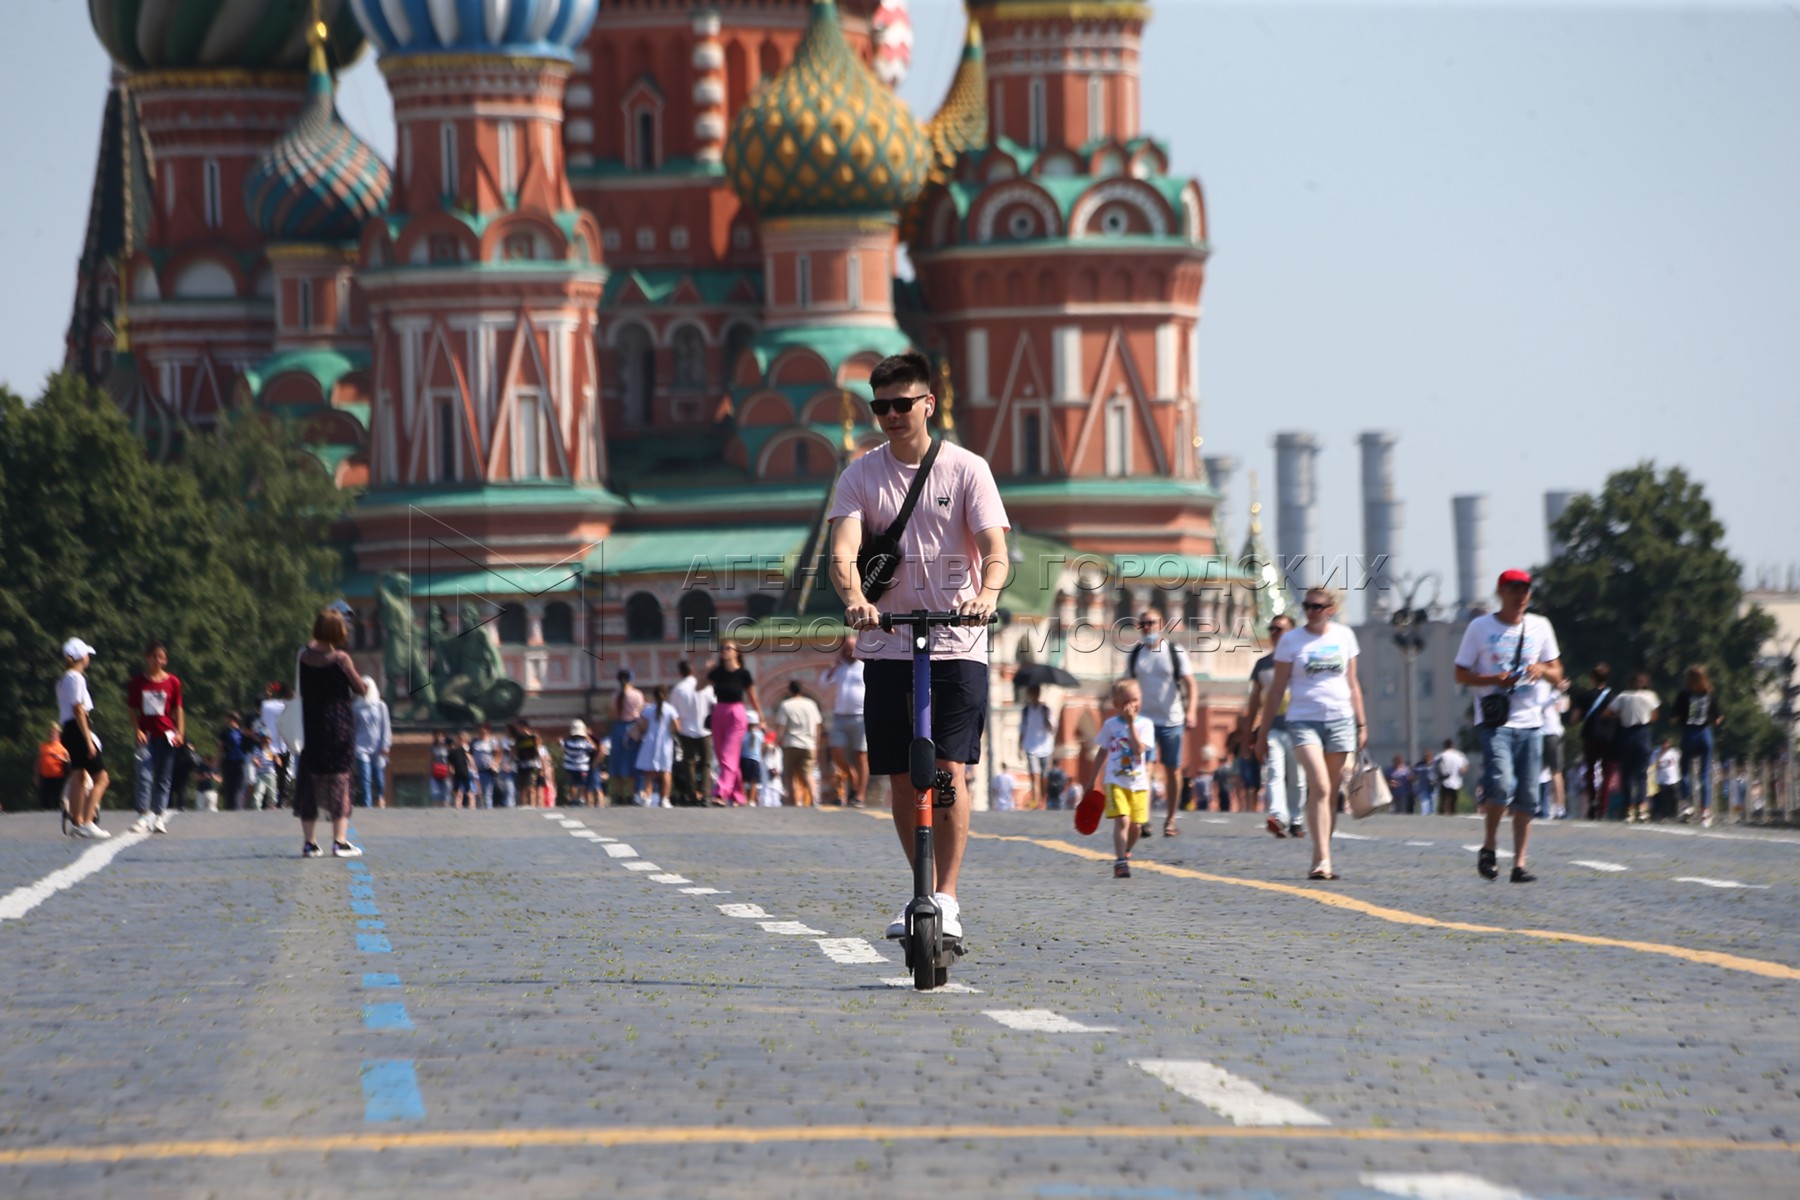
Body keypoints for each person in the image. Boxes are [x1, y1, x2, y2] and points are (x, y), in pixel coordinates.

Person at [827, 350, 1010, 942]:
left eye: (901, 405)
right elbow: (841, 552)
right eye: (879, 406)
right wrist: (856, 597)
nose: (889, 416)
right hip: (887, 643)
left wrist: (985, 593)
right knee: (902, 777)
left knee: (948, 768)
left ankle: (948, 898)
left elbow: (996, 549)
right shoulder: (859, 474)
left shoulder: (967, 470)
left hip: (956, 639)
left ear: (928, 403)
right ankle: (921, 890)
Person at [1454, 569, 1563, 883]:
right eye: (1514, 590)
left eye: (1525, 590)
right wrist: (1493, 679)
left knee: (1528, 794)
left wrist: (1541, 669)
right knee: (1501, 784)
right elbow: (1460, 674)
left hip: (1532, 723)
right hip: (1495, 721)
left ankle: (1519, 863)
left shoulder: (1541, 626)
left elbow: (1558, 672)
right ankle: (1489, 846)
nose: (1521, 596)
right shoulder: (1480, 627)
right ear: (1500, 592)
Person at [1253, 587, 1366, 880]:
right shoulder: (1291, 640)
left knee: (1329, 794)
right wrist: (1262, 733)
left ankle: (1321, 853)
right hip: (1303, 720)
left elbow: (1352, 683)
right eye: (1307, 606)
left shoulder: (1345, 636)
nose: (1311, 611)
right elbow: (1276, 689)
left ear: (1331, 609)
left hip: (1340, 719)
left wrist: (1362, 723)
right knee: (1319, 785)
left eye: (1317, 606)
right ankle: (1322, 859)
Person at [293, 608, 371, 858]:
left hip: (311, 725)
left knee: (310, 782)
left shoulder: (303, 656)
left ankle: (310, 843)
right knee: (340, 782)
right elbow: (359, 688)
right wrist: (365, 684)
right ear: (338, 632)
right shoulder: (341, 659)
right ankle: (339, 841)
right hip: (338, 726)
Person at [1127, 607, 1196, 838]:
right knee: (1144, 768)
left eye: (1152, 623)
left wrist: (1192, 711)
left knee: (1173, 769)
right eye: (1143, 624)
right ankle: (1143, 817)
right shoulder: (1135, 654)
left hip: (1172, 720)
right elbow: (1128, 686)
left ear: (1162, 625)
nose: (1147, 628)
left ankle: (1171, 819)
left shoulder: (1175, 652)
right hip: (1144, 721)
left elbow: (1190, 684)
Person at [1083, 679, 1157, 879]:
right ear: (1116, 704)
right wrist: (1092, 779)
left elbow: (1139, 749)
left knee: (1136, 826)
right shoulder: (1110, 725)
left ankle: (1125, 852)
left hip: (1139, 783)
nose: (1131, 705)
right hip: (1115, 782)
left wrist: (1132, 724)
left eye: (1135, 700)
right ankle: (1121, 862)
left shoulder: (1146, 725)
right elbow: (1101, 752)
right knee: (1122, 821)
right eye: (1126, 701)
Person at [1247, 612, 1306, 839]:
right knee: (1274, 772)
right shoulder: (1262, 665)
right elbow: (1254, 702)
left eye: (1279, 629)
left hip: (1299, 728)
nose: (1274, 633)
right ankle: (1278, 816)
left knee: (1298, 777)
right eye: (1271, 629)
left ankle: (1297, 819)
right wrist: (1248, 736)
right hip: (1273, 727)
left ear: (1292, 633)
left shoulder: (1301, 661)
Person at [126, 640, 185, 834]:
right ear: (147, 658)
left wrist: (180, 732)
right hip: (146, 736)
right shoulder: (138, 682)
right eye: (154, 657)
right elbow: (132, 708)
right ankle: (143, 815)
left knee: (163, 776)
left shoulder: (173, 682)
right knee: (144, 774)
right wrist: (137, 730)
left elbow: (178, 708)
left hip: (167, 735)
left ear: (165, 660)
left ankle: (159, 816)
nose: (157, 661)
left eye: (161, 657)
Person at [57, 638, 112, 839]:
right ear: (82, 657)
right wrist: (88, 740)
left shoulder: (63, 679)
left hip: (68, 729)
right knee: (102, 778)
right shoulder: (76, 678)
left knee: (78, 776)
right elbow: (78, 709)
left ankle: (77, 821)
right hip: (78, 729)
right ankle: (88, 821)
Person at [707, 644, 762, 806]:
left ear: (737, 652)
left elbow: (753, 697)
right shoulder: (717, 673)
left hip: (737, 713)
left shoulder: (744, 674)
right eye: (723, 648)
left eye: (729, 648)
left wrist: (762, 718)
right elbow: (699, 687)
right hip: (719, 712)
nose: (725, 651)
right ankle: (738, 795)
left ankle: (721, 792)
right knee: (722, 756)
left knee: (727, 756)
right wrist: (707, 672)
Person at [1670, 664, 1723, 826]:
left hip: (1689, 733)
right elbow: (1718, 718)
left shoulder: (1684, 695)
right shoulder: (1710, 694)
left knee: (1684, 770)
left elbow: (1674, 718)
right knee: (1704, 773)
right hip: (1705, 734)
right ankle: (1705, 811)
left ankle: (1686, 805)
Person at [820, 641, 869, 807]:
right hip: (840, 715)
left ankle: (860, 795)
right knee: (835, 750)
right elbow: (824, 682)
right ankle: (851, 774)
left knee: (861, 755)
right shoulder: (840, 669)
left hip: (860, 715)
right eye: (846, 649)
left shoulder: (863, 667)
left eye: (851, 649)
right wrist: (834, 665)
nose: (849, 652)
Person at [1610, 671, 1660, 823]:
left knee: (1627, 774)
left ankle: (1629, 808)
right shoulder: (1650, 696)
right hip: (1642, 732)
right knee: (1642, 773)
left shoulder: (1623, 696)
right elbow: (1655, 716)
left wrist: (1622, 716)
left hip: (1626, 733)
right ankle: (1643, 807)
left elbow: (1608, 713)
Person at [1574, 664, 1620, 821]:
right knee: (1607, 774)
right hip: (1610, 738)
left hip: (1590, 736)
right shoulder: (1613, 696)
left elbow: (1575, 718)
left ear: (1592, 678)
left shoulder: (1585, 696)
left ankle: (1592, 800)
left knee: (1590, 771)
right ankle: (1603, 807)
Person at [668, 661, 714, 807]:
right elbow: (714, 705)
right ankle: (705, 795)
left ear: (680, 672)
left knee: (689, 763)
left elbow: (673, 712)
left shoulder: (677, 689)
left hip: (686, 730)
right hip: (705, 730)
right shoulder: (706, 687)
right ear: (693, 670)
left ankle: (692, 794)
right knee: (706, 763)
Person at [773, 680, 824, 807]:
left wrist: (777, 741)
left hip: (791, 742)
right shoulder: (811, 704)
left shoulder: (786, 705)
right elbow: (818, 726)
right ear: (802, 690)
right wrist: (817, 745)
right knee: (807, 773)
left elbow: (781, 726)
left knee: (791, 774)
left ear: (789, 691)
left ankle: (795, 802)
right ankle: (814, 799)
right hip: (808, 743)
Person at [634, 686, 678, 806]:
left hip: (649, 742)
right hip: (665, 743)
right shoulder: (670, 709)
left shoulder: (648, 710)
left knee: (649, 772)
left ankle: (647, 797)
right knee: (666, 771)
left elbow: (641, 726)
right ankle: (665, 799)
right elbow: (677, 727)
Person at [608, 670, 645, 804]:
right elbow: (641, 712)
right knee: (631, 761)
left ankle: (618, 795)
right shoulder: (637, 694)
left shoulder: (615, 696)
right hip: (633, 729)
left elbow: (612, 714)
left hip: (618, 728)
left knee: (617, 761)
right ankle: (631, 794)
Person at [1019, 684, 1056, 811]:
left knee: (1044, 777)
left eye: (1036, 693)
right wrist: (1020, 747)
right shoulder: (1026, 711)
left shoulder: (1046, 709)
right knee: (1035, 775)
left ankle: (1043, 798)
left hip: (1045, 747)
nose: (1034, 696)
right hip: (1030, 746)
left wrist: (1046, 718)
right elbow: (1022, 730)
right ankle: (1036, 801)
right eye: (1032, 693)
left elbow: (1052, 729)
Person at [260, 682, 292, 809]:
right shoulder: (288, 706)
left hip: (269, 747)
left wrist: (268, 694)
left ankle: (265, 801)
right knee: (283, 775)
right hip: (284, 745)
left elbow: (263, 721)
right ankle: (281, 801)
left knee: (267, 773)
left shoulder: (265, 706)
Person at [219, 713, 251, 812]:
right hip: (228, 762)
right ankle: (230, 807)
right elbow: (220, 747)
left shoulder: (241, 732)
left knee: (238, 786)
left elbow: (248, 746)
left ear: (232, 720)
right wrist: (219, 761)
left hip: (240, 762)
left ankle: (236, 807)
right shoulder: (225, 733)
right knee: (229, 787)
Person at [562, 720, 598, 807]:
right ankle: (582, 799)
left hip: (570, 767)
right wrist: (587, 737)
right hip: (582, 767)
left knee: (573, 783)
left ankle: (573, 800)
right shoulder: (584, 743)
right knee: (583, 784)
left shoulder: (568, 742)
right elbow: (594, 747)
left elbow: (561, 743)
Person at [37, 723, 69, 812]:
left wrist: (59, 758)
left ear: (58, 734)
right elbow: (39, 761)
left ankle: (57, 812)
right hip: (46, 776)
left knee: (57, 797)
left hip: (58, 776)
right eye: (50, 733)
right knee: (45, 796)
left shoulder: (62, 747)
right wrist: (36, 775)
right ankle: (45, 812)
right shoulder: (43, 746)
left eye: (54, 733)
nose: (52, 735)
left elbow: (68, 761)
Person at [1432, 738, 1468, 816]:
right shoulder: (1459, 755)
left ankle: (1444, 813)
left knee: (1444, 798)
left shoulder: (1440, 756)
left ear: (1444, 746)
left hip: (1444, 780)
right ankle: (1453, 813)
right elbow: (1463, 769)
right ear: (1452, 745)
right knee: (1454, 798)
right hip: (1456, 781)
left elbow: (1434, 767)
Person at [740, 709, 767, 807]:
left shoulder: (742, 734)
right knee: (754, 781)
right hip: (755, 760)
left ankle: (744, 798)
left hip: (743, 759)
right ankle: (752, 800)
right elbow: (763, 747)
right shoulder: (760, 734)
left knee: (743, 780)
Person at [471, 722, 499, 809]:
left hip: (487, 771)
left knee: (487, 793)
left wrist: (494, 763)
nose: (481, 731)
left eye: (483, 729)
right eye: (479, 729)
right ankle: (479, 810)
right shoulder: (475, 742)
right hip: (476, 771)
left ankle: (488, 811)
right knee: (477, 793)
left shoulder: (492, 741)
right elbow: (470, 754)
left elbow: (498, 754)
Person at [1654, 737, 1682, 822]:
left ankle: (1676, 815)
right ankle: (1661, 816)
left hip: (1673, 780)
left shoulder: (1674, 753)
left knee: (1675, 798)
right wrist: (1660, 755)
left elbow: (1679, 761)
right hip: (1661, 781)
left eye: (1667, 744)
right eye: (1664, 744)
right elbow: (1653, 766)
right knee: (1662, 800)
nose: (1666, 746)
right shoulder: (1656, 753)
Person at [250, 734, 280, 811]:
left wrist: (277, 760)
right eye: (264, 738)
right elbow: (254, 758)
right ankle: (256, 808)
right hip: (260, 775)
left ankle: (271, 806)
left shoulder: (271, 749)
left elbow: (277, 758)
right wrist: (256, 762)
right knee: (258, 792)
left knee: (272, 792)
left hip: (270, 774)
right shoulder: (257, 749)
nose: (266, 740)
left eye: (267, 739)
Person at [428, 732, 452, 806]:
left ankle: (446, 809)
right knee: (435, 793)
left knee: (446, 792)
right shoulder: (433, 748)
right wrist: (428, 773)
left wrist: (451, 771)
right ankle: (435, 810)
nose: (440, 738)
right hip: (435, 771)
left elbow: (451, 760)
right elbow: (430, 761)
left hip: (446, 772)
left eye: (442, 736)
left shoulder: (448, 748)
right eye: (438, 736)